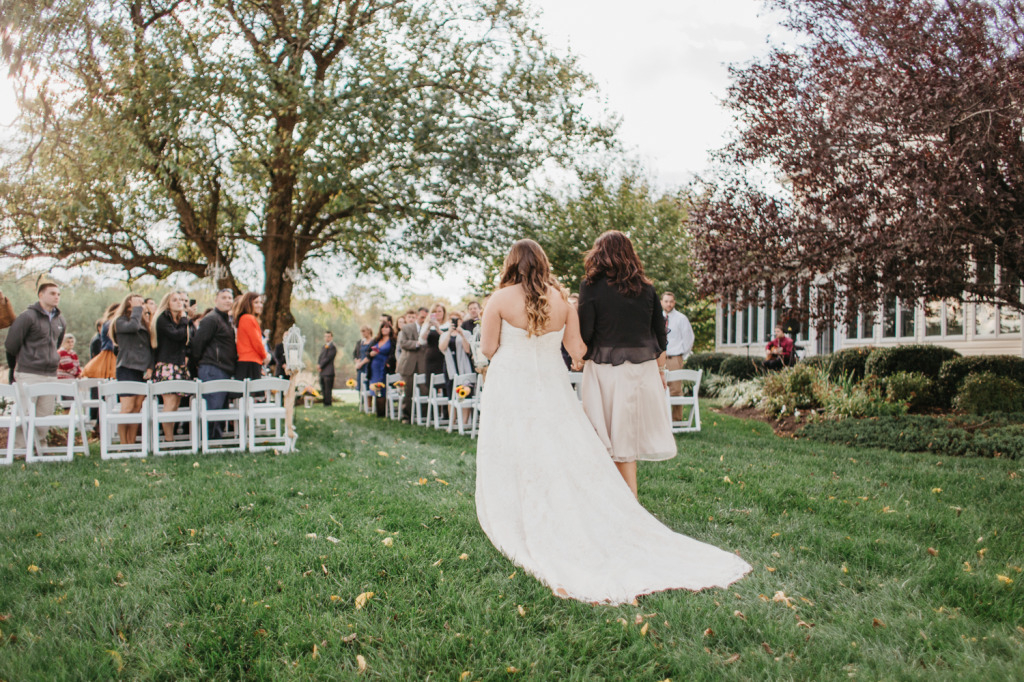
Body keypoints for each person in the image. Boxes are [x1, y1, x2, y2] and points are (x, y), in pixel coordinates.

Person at [475, 238, 750, 605]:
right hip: (553, 387)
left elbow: (489, 349)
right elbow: (577, 349)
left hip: (511, 383)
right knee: (561, 446)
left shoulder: (499, 299)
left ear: (511, 264)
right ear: (543, 263)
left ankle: (519, 512)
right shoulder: (560, 300)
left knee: (512, 447)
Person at [577, 230, 675, 498]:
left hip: (605, 372)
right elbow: (660, 335)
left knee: (606, 440)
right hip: (642, 372)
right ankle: (623, 499)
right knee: (625, 440)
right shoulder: (647, 289)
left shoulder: (590, 287)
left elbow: (585, 334)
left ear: (599, 253)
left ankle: (624, 504)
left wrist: (577, 357)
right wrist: (660, 372)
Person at [5, 282, 67, 449]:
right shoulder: (27, 317)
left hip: (50, 374)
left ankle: (39, 447)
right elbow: (11, 344)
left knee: (44, 414)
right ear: (41, 295)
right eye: (52, 293)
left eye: (58, 294)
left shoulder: (60, 320)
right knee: (23, 413)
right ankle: (19, 448)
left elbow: (57, 344)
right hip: (28, 372)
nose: (56, 297)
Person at [191, 289, 237, 440]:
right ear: (216, 300)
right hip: (212, 368)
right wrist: (197, 364)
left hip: (225, 369)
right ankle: (207, 440)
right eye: (223, 297)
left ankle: (216, 440)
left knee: (221, 409)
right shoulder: (211, 319)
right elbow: (198, 343)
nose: (228, 300)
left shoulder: (227, 320)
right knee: (212, 407)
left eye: (230, 298)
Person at [111, 293, 154, 445]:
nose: (141, 306)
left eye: (142, 303)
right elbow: (133, 327)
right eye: (138, 303)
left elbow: (150, 347)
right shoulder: (120, 321)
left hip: (142, 369)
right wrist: (137, 310)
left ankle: (132, 442)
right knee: (127, 407)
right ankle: (124, 444)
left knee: (137, 408)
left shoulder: (144, 322)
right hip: (127, 368)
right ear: (129, 304)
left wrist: (150, 367)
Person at [151, 291, 192, 441]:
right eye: (175, 300)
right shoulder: (163, 318)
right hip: (167, 365)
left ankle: (171, 436)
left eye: (181, 300)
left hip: (179, 365)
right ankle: (168, 439)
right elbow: (177, 335)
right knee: (169, 402)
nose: (179, 302)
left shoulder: (179, 319)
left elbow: (186, 340)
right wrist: (184, 319)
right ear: (167, 303)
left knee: (176, 403)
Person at [661, 291, 695, 421]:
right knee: (658, 389)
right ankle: (662, 421)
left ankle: (676, 419)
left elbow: (689, 339)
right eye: (666, 301)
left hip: (674, 358)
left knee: (675, 390)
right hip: (659, 359)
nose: (669, 304)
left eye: (671, 301)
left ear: (674, 303)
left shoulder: (681, 319)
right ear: (661, 302)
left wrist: (681, 356)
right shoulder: (657, 318)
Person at [397, 307, 429, 422]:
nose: (422, 319)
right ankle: (406, 416)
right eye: (421, 317)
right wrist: (417, 343)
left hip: (423, 365)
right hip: (408, 364)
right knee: (407, 392)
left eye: (425, 317)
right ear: (417, 316)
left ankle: (424, 416)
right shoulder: (406, 328)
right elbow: (403, 343)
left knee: (425, 390)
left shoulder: (429, 328)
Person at [233, 292, 268, 381]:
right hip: (250, 362)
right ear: (248, 303)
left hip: (248, 361)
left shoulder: (245, 318)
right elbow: (257, 343)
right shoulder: (248, 318)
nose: (260, 305)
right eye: (256, 302)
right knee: (253, 392)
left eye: (261, 302)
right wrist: (265, 356)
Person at [367, 322, 394, 417]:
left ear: (390, 329)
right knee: (375, 388)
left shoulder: (392, 340)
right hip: (375, 366)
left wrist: (389, 362)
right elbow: (368, 351)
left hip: (384, 366)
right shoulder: (376, 340)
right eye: (383, 328)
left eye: (387, 328)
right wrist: (371, 354)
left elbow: (393, 353)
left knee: (382, 388)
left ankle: (383, 412)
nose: (384, 329)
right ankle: (378, 411)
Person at [317, 331, 338, 406]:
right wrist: (318, 364)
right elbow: (320, 357)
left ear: (331, 337)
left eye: (328, 336)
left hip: (329, 371)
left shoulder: (333, 347)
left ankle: (328, 403)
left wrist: (321, 365)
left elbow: (328, 358)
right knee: (322, 387)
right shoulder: (323, 346)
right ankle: (325, 402)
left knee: (328, 388)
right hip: (322, 371)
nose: (327, 338)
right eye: (325, 336)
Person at [353, 325, 373, 395]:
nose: (362, 333)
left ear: (369, 331)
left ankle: (368, 404)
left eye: (364, 331)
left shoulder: (373, 342)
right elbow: (356, 353)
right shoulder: (360, 342)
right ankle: (361, 403)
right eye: (361, 332)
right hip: (360, 367)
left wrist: (361, 363)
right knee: (360, 385)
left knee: (367, 385)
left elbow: (370, 355)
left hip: (368, 366)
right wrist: (357, 361)